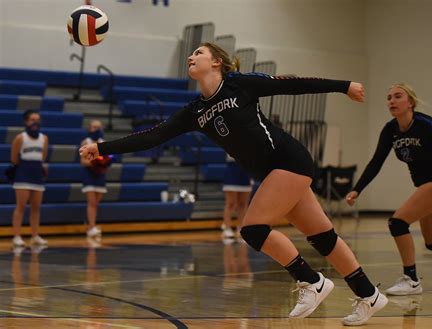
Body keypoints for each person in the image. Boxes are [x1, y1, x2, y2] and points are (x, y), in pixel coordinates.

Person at [80, 42, 387, 325]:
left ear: (216, 62)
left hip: (289, 160)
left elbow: (293, 84)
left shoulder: (239, 83)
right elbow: (152, 136)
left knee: (253, 229)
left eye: (198, 52)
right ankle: (370, 295)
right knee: (323, 237)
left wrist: (344, 86)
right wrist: (102, 147)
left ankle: (311, 281)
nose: (191, 57)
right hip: (273, 174)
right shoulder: (194, 111)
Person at [345, 84, 432, 296]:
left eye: (397, 96)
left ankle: (412, 279)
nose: (392, 101)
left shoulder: (427, 125)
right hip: (426, 186)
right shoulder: (390, 130)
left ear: (410, 102)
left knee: (397, 222)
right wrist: (357, 189)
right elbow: (376, 162)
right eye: (389, 98)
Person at [10, 110, 49, 248]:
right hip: (23, 173)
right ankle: (16, 236)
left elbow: (43, 157)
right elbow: (14, 158)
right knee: (20, 206)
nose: (35, 122)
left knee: (36, 207)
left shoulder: (44, 138)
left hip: (37, 174)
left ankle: (35, 236)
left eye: (37, 120)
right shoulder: (20, 138)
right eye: (32, 120)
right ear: (26, 122)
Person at [80, 120, 110, 239]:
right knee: (91, 202)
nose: (96, 129)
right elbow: (83, 161)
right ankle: (91, 227)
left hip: (100, 175)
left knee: (96, 203)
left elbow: (109, 158)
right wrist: (96, 163)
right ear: (89, 129)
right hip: (89, 174)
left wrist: (105, 164)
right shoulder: (85, 142)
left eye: (98, 127)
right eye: (94, 127)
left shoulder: (104, 143)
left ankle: (90, 225)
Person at [221, 153, 252, 239]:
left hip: (246, 169)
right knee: (231, 203)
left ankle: (241, 228)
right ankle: (227, 228)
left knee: (243, 203)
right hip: (232, 169)